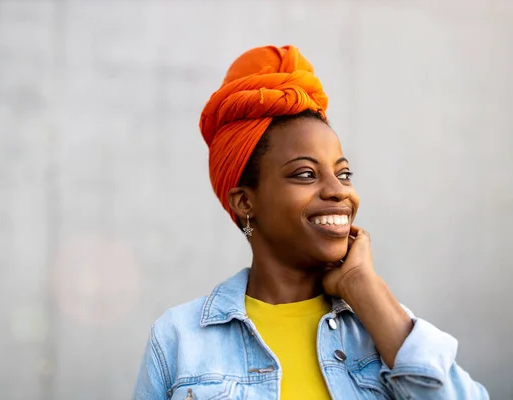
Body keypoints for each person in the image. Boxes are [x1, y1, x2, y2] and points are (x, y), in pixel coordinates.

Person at [133, 45, 488, 399]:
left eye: (344, 173)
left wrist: (363, 287)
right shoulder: (179, 339)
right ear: (244, 202)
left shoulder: (384, 327)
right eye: (305, 174)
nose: (338, 191)